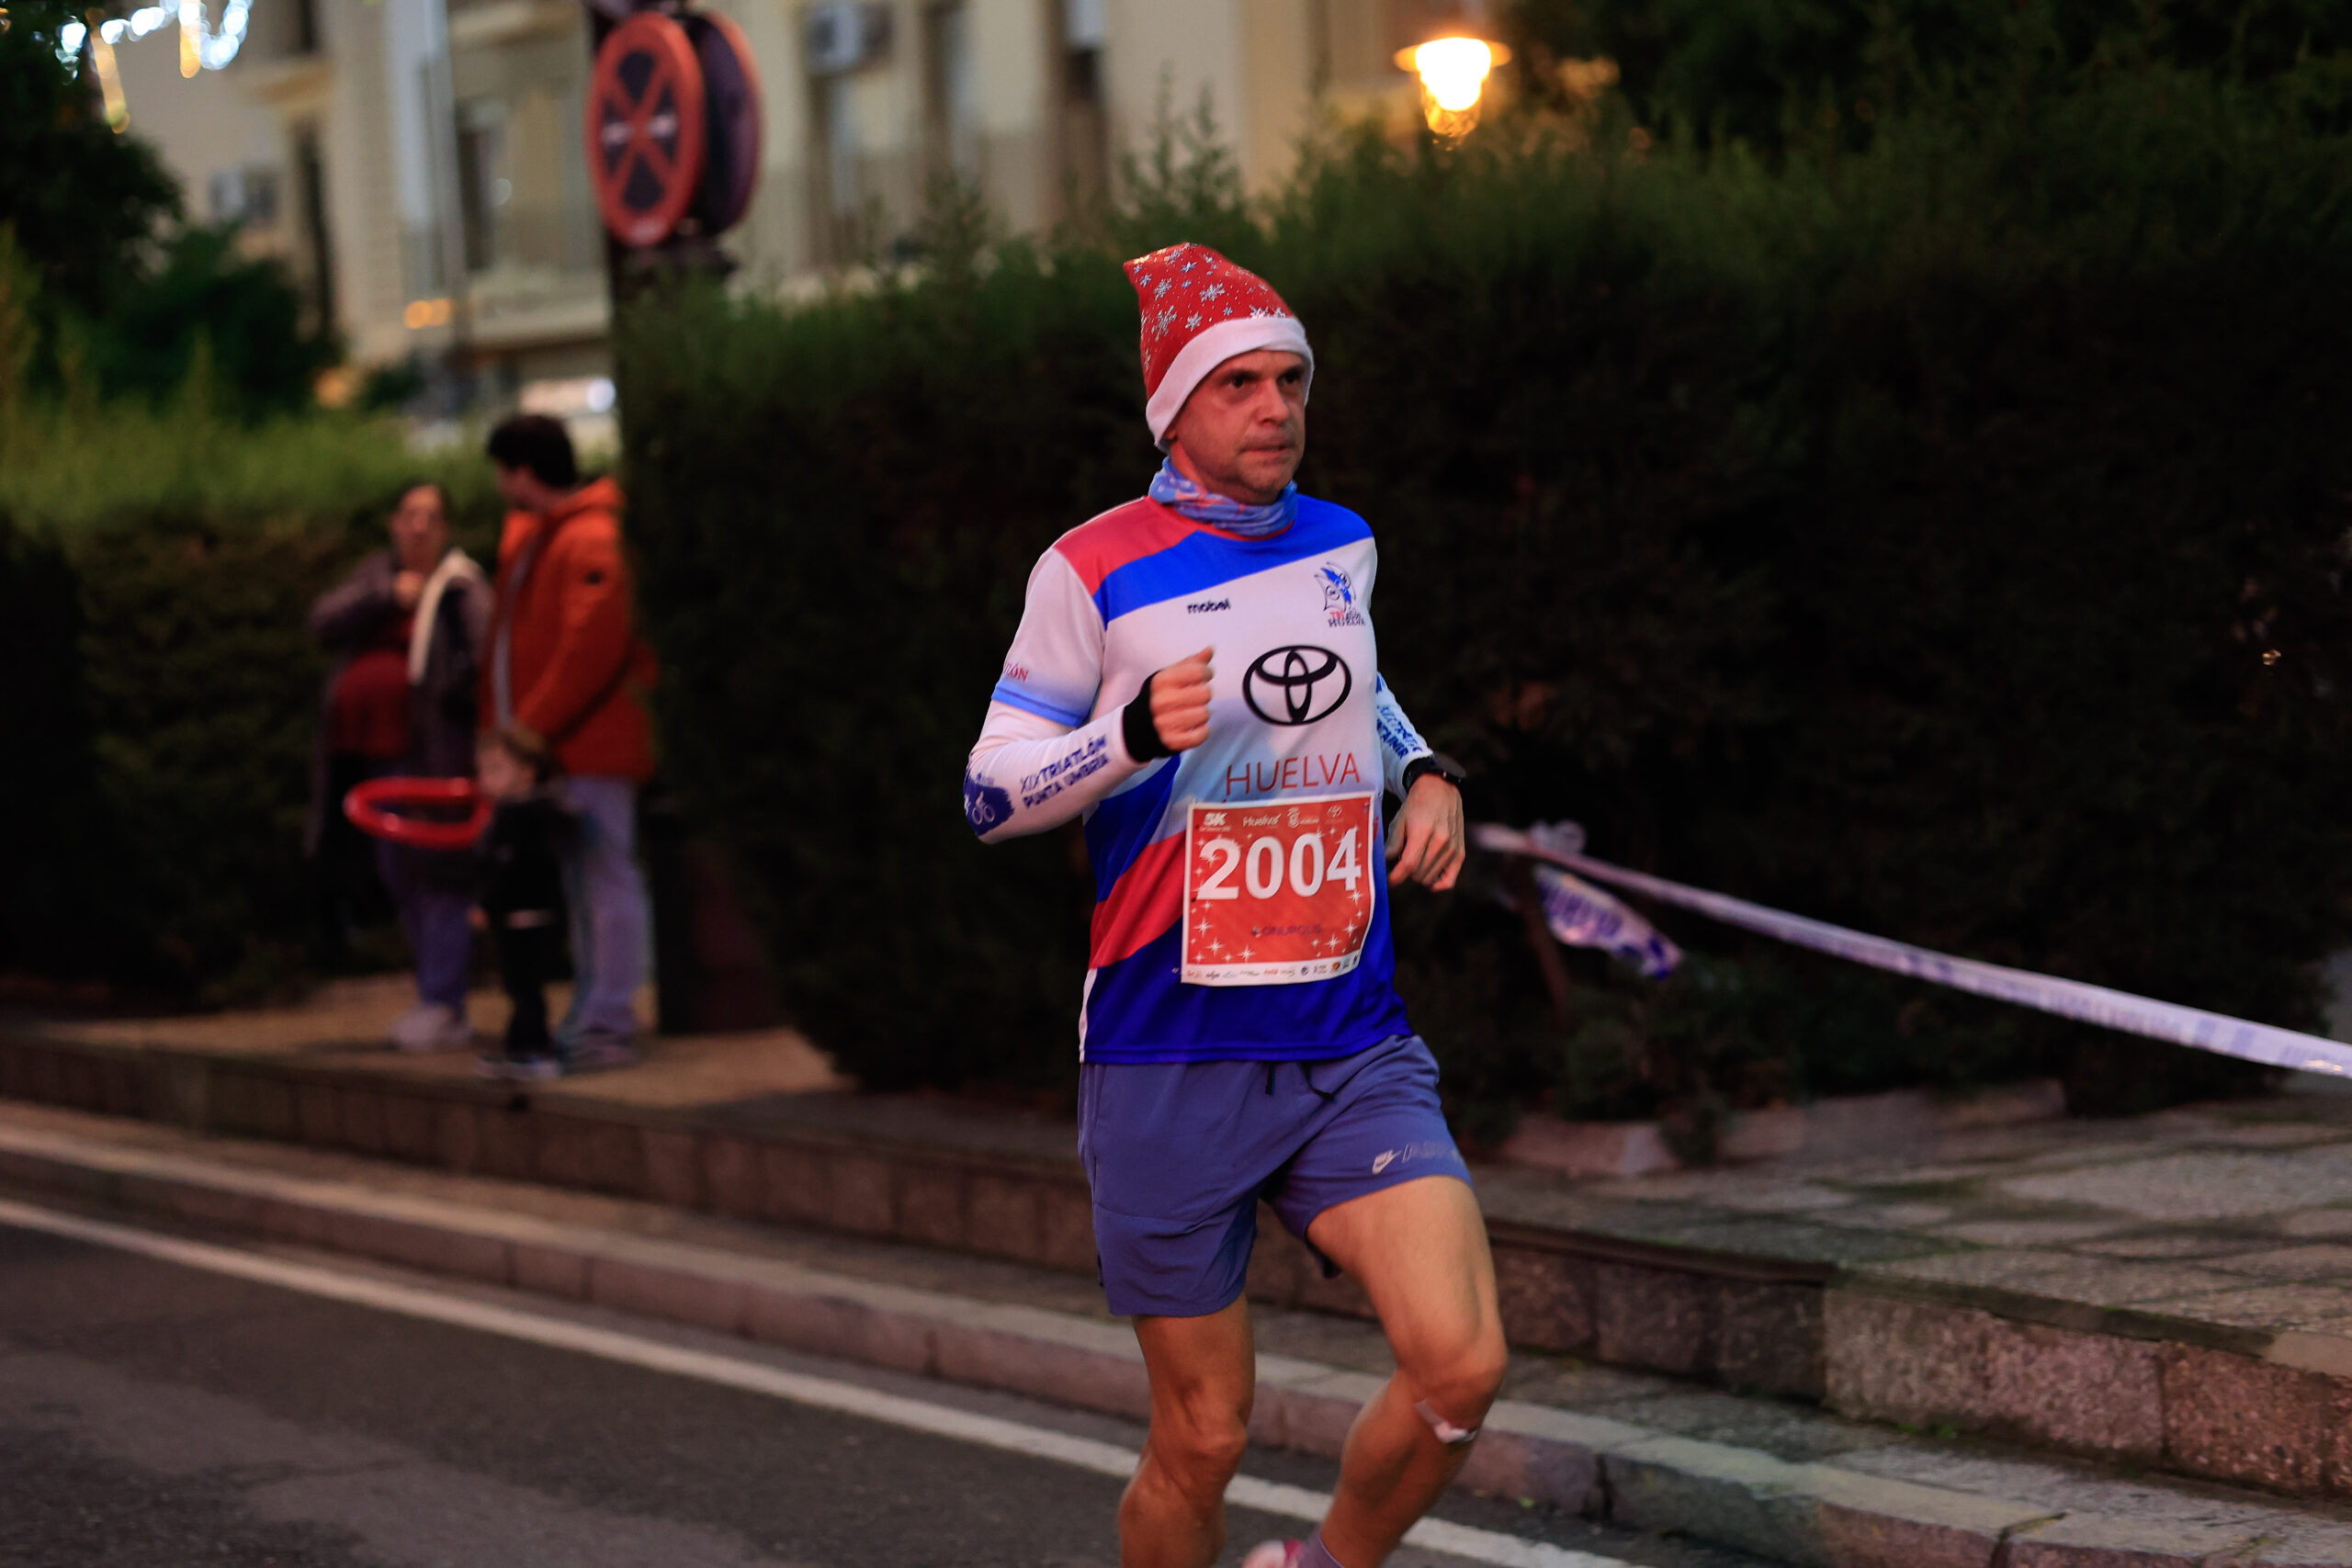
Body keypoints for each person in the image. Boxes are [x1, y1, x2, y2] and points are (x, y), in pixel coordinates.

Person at [963, 244, 1498, 1568]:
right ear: (1174, 409)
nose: (1275, 408)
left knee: (1461, 1365)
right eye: (1239, 384)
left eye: (1290, 380)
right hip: (1168, 1054)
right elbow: (989, 791)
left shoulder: (1342, 542)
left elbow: (1354, 682)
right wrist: (1128, 734)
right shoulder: (1092, 567)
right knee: (1202, 1438)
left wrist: (1424, 770)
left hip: (1346, 1038)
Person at [476, 414, 658, 1077]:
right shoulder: (560, 536)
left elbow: (590, 646)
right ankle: (596, 1016)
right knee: (590, 882)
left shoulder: (583, 539)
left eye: (502, 473)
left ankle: (606, 1020)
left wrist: (525, 731)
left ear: (521, 472)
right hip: (564, 745)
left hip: (582, 745)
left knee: (601, 880)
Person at [307, 480, 492, 1051]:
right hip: (377, 759)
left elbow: (482, 664)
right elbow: (323, 620)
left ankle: (445, 1001)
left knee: (439, 875)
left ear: (446, 529)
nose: (418, 526)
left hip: (435, 760)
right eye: (410, 514)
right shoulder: (375, 576)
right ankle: (434, 994)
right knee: (398, 873)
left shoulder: (461, 589)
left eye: (431, 517)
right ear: (393, 522)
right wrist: (386, 596)